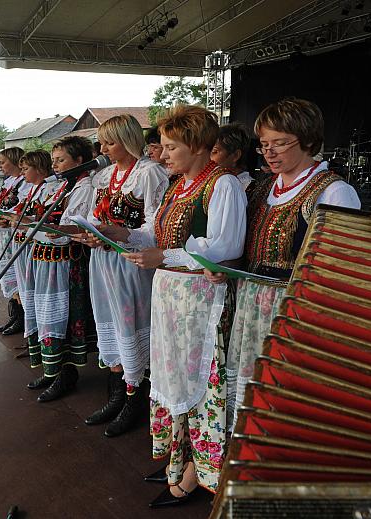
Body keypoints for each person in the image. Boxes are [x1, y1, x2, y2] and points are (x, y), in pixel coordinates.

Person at [111, 105, 247, 507]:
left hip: (201, 300)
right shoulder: (177, 185)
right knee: (174, 376)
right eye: (164, 146)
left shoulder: (222, 185)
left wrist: (165, 256)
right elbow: (152, 232)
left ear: (200, 146)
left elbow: (226, 246)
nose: (163, 153)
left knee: (200, 380)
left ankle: (200, 472)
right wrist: (118, 232)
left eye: (172, 146)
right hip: (171, 296)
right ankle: (180, 458)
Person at [221, 97, 361, 429]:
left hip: (295, 315)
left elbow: (342, 271)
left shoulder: (334, 192)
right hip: (250, 306)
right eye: (264, 144)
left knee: (285, 401)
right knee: (248, 395)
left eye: (280, 143)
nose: (269, 152)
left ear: (309, 141)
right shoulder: (261, 188)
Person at [76, 114, 169, 438]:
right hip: (102, 263)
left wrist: (122, 233)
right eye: (101, 142)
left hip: (131, 263)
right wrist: (88, 233)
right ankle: (117, 394)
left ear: (128, 141)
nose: (102, 148)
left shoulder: (150, 173)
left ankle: (134, 398)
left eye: (109, 142)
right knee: (109, 323)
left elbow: (157, 227)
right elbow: (91, 217)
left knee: (130, 323)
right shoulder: (102, 176)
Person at [24, 136, 97, 403]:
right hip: (47, 257)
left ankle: (65, 373)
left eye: (61, 160)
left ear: (79, 161)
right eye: (53, 160)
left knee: (61, 317)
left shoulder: (84, 187)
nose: (55, 165)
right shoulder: (62, 186)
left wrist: (49, 228)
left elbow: (70, 228)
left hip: (65, 261)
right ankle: (52, 368)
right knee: (45, 314)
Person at [1, 150, 62, 374]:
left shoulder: (53, 189)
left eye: (26, 168)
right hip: (30, 248)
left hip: (46, 251)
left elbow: (52, 221)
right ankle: (38, 349)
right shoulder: (35, 190)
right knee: (30, 299)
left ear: (40, 169)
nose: (23, 172)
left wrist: (24, 220)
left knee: (45, 306)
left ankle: (55, 364)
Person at [0, 147, 30, 336]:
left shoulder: (24, 183)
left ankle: (22, 319)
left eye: (2, 162)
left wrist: (6, 216)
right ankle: (14, 314)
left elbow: (22, 209)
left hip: (14, 235)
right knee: (5, 274)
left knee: (16, 275)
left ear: (14, 161)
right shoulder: (7, 183)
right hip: (1, 234)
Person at [210, 122, 253, 189]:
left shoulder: (250, 189)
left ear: (235, 155)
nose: (208, 158)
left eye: (214, 152)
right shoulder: (212, 182)